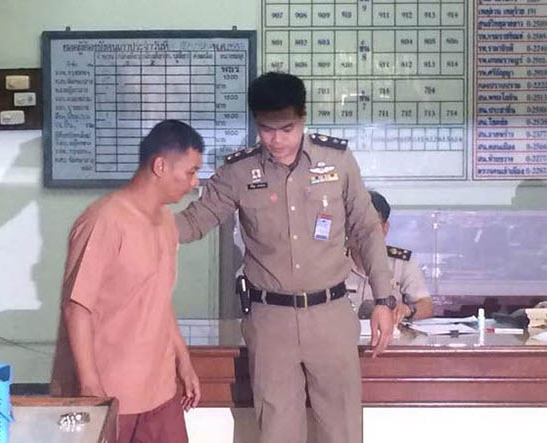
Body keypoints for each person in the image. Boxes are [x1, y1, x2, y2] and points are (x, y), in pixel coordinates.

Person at [175, 72, 395, 443]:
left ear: (303, 117)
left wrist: (384, 300)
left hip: (330, 315)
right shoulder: (238, 171)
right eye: (266, 129)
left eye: (287, 129)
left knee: (341, 430)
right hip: (270, 321)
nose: (277, 140)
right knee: (277, 431)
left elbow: (367, 229)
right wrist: (139, 220)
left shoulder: (337, 161)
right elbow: (195, 221)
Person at [50, 120, 204, 443]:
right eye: (191, 172)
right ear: (160, 166)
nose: (195, 182)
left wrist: (184, 360)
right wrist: (91, 387)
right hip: (112, 393)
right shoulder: (104, 219)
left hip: (161, 391)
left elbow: (158, 298)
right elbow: (77, 308)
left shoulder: (166, 221)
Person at [347, 191, 434, 324]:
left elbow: (427, 307)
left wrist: (407, 310)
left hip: (388, 335)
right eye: (357, 225)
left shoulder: (402, 262)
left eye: (372, 226)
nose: (364, 233)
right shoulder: (331, 262)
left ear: (385, 228)